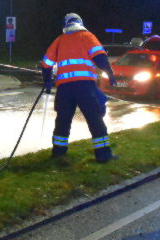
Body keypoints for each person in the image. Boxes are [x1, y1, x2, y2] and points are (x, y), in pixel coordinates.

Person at [40, 13, 119, 163]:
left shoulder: (59, 40)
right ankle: (103, 156)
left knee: (62, 121)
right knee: (95, 120)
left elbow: (46, 64)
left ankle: (59, 154)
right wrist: (110, 74)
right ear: (80, 22)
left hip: (64, 89)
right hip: (85, 87)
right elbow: (100, 57)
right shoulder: (87, 36)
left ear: (65, 25)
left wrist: (47, 82)